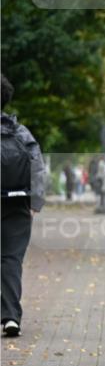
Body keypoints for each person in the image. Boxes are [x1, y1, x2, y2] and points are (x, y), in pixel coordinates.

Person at [1, 74, 46, 337]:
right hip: (17, 203)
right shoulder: (20, 132)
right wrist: (35, 203)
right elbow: (37, 167)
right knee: (11, 259)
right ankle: (10, 317)